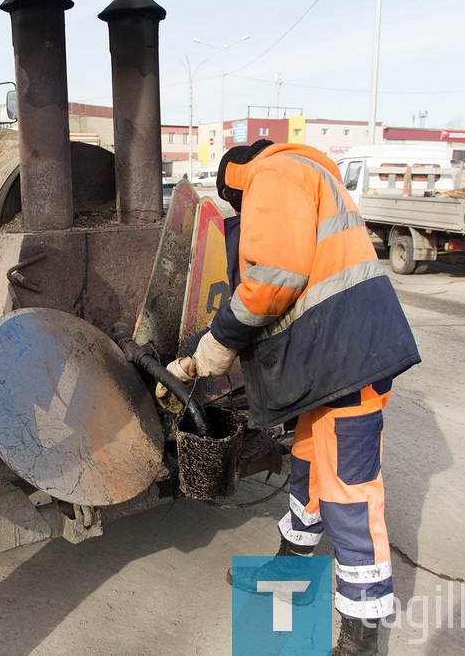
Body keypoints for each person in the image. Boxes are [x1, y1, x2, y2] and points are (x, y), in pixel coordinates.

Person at [160, 140, 421, 655]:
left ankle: (361, 635)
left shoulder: (273, 175)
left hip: (349, 363)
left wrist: (218, 344)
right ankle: (289, 567)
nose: (240, 214)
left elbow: (272, 279)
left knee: (349, 494)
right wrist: (207, 348)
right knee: (307, 468)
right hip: (331, 362)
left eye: (234, 205)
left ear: (232, 179)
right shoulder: (304, 174)